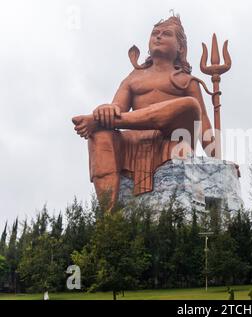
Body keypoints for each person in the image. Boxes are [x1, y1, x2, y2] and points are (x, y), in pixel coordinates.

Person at [71, 15, 216, 210]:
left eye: (166, 34)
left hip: (172, 138)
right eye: (155, 34)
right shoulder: (133, 79)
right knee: (101, 133)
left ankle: (99, 122)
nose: (158, 37)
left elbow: (203, 122)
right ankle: (109, 219)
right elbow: (116, 109)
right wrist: (106, 113)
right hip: (135, 140)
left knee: (190, 105)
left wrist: (217, 160)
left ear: (180, 47)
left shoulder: (186, 80)